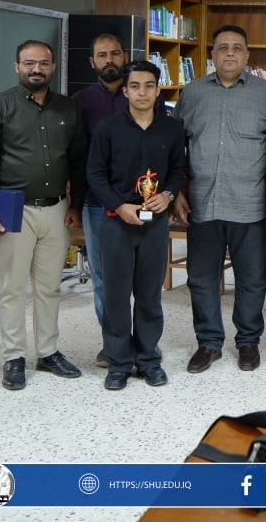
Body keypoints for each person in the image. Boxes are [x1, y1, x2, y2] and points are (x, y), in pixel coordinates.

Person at [0, 40, 86, 391]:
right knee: (12, 287)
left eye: (44, 63)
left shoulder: (69, 108)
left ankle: (48, 352)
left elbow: (78, 161)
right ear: (17, 66)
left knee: (49, 287)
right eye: (29, 63)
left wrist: (77, 206)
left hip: (57, 209)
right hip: (13, 209)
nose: (37, 69)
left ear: (53, 67)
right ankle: (14, 357)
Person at [173, 24, 266, 374]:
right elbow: (175, 147)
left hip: (251, 205)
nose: (230, 53)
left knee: (251, 280)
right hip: (202, 203)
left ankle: (248, 341)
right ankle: (208, 343)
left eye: (237, 47)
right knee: (201, 279)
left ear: (247, 55)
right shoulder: (192, 93)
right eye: (223, 47)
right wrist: (177, 191)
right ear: (212, 54)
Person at [86, 60, 186, 391]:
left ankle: (148, 360)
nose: (142, 92)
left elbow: (178, 170)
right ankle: (118, 362)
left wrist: (168, 195)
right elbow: (95, 173)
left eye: (148, 86)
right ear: (125, 91)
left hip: (155, 224)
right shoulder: (108, 128)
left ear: (158, 91)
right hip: (117, 223)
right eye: (135, 86)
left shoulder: (172, 129)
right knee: (115, 295)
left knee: (149, 294)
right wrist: (118, 205)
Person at [71, 33, 166, 368]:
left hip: (146, 204)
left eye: (114, 53)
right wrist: (76, 203)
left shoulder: (153, 104)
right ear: (93, 61)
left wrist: (169, 193)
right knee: (106, 279)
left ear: (124, 57)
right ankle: (114, 345)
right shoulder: (81, 102)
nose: (109, 59)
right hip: (100, 205)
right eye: (102, 55)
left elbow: (166, 155)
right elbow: (81, 159)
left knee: (146, 279)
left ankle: (145, 346)